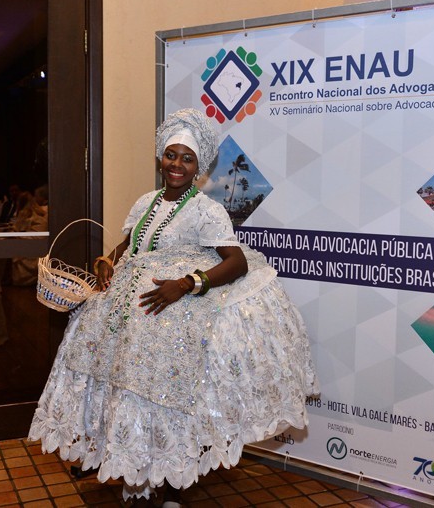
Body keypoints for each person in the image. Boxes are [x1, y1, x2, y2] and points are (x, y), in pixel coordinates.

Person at [28, 108, 318, 505]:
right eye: (171, 155)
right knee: (124, 391)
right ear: (160, 157)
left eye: (187, 158)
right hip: (130, 317)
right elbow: (129, 244)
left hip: (174, 316)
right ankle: (136, 470)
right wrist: (108, 261)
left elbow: (236, 262)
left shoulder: (206, 209)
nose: (176, 165)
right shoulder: (145, 202)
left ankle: (172, 489)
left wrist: (186, 284)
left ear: (199, 168)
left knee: (169, 400)